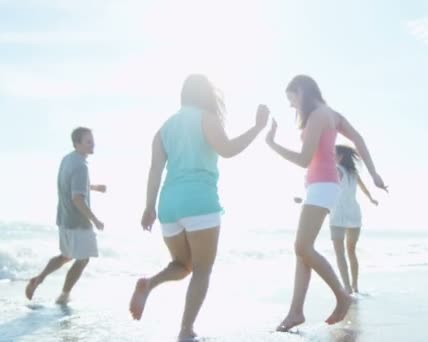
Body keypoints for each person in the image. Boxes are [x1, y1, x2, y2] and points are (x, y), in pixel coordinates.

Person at [129, 74, 269, 341]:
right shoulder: (207, 118)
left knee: (182, 265)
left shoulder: (164, 128)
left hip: (168, 205)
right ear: (206, 94)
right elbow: (227, 150)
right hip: (199, 202)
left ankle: (150, 284)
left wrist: (149, 207)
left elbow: (155, 170)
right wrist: (257, 127)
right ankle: (186, 330)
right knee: (202, 269)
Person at [266, 75, 387, 332]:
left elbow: (302, 158)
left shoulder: (317, 116)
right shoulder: (333, 115)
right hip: (321, 186)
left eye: (292, 99)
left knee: (301, 246)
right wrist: (373, 172)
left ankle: (341, 295)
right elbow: (359, 139)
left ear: (302, 92)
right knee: (303, 251)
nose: (291, 106)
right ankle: (296, 311)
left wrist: (272, 144)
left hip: (322, 185)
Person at [25, 127, 106, 305]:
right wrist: (95, 219)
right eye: (88, 141)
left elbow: (71, 185)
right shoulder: (81, 166)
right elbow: (77, 198)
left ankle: (38, 279)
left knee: (65, 256)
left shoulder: (68, 159)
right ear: (77, 144)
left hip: (64, 218)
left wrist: (94, 187)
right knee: (83, 259)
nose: (93, 144)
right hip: (78, 222)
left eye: (92, 140)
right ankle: (64, 296)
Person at [330, 145, 378, 294]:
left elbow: (329, 189)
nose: (331, 155)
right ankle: (355, 286)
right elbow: (364, 189)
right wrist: (371, 199)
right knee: (351, 251)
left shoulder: (337, 170)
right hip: (354, 215)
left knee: (340, 252)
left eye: (333, 153)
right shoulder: (353, 173)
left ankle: (347, 287)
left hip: (338, 214)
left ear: (340, 157)